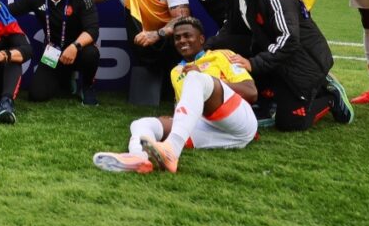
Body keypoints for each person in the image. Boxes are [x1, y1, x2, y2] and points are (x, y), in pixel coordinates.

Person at [208, 0, 353, 131]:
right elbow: (230, 29)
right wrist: (205, 50)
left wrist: (253, 64)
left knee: (291, 123)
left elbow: (289, 39)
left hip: (303, 61)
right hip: (276, 58)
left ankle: (329, 95)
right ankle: (271, 96)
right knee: (229, 46)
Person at [92, 17, 257, 174]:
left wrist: (208, 80)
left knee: (196, 78)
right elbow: (187, 109)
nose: (182, 41)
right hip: (210, 132)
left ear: (201, 39)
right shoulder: (176, 71)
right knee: (142, 123)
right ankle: (138, 157)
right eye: (177, 38)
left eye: (187, 36)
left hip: (239, 124)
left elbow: (251, 93)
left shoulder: (221, 55)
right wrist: (174, 119)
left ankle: (172, 149)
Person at [90, 0, 190, 104]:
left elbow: (183, 18)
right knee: (131, 16)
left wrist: (157, 34)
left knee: (185, 31)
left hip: (168, 39)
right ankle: (149, 83)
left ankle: (179, 83)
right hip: (142, 39)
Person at [8, 0, 100, 104]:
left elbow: (93, 30)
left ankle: (87, 86)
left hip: (78, 51)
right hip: (53, 53)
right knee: (37, 95)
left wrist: (74, 46)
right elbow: (9, 10)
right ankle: (65, 77)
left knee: (91, 53)